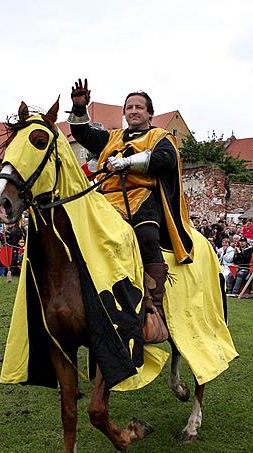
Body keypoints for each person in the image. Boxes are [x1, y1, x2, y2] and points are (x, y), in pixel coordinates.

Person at [68, 79, 194, 341]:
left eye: (139, 107)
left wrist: (126, 163)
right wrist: (79, 108)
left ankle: (153, 306)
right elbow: (82, 134)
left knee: (147, 237)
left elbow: (165, 160)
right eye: (129, 107)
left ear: (149, 113)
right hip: (105, 200)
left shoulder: (160, 137)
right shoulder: (111, 138)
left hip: (141, 196)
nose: (134, 111)